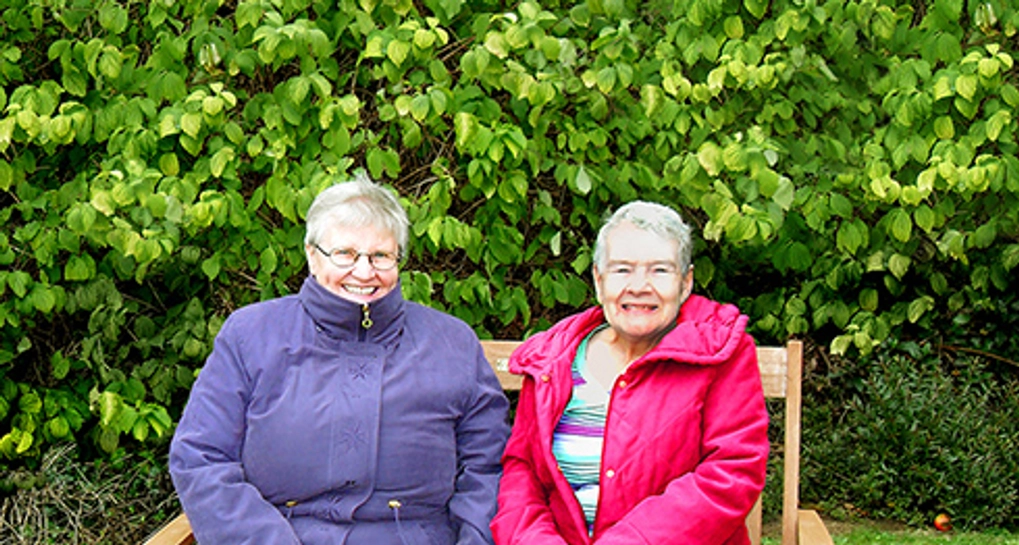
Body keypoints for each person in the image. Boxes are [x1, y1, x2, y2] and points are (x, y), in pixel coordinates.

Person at [169, 174, 510, 545]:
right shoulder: (251, 335)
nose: (364, 273)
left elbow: (489, 465)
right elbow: (201, 457)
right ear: (312, 255)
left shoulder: (451, 342)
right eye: (345, 254)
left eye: (380, 256)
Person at [490, 201, 769, 545]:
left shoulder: (722, 352)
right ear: (598, 278)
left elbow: (731, 472)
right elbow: (523, 472)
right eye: (622, 270)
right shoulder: (553, 359)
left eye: (659, 271)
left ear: (685, 283)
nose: (639, 286)